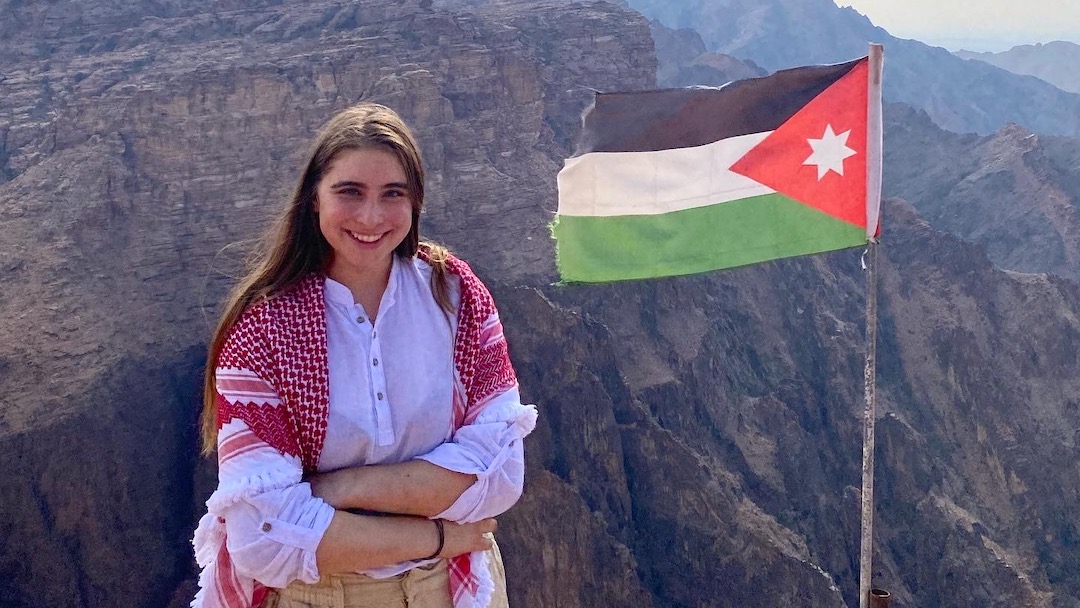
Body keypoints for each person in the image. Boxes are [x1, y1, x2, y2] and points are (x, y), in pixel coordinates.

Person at [191, 103, 537, 608]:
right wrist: (441, 536)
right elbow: (262, 539)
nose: (371, 217)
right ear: (314, 198)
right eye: (349, 192)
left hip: (454, 588)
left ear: (416, 201)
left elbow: (501, 473)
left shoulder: (455, 295)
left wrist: (335, 490)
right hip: (324, 596)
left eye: (392, 194)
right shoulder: (263, 333)